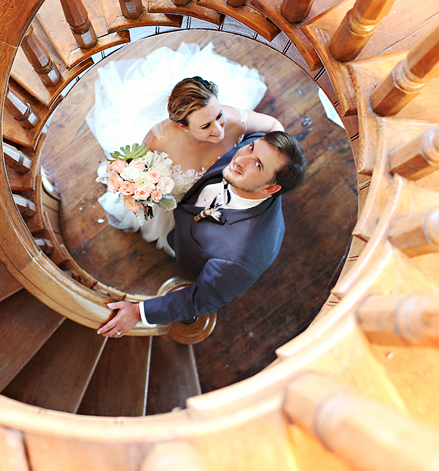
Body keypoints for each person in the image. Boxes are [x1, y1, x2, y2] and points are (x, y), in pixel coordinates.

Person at [97, 130, 306, 337]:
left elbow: (202, 299)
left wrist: (138, 312)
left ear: (270, 189)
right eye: (251, 148)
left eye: (258, 165)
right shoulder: (253, 145)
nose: (241, 159)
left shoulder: (239, 258)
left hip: (185, 250)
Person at [87, 43, 278, 254]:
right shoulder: (159, 140)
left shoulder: (235, 119)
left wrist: (279, 158)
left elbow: (272, 126)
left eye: (218, 115)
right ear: (182, 126)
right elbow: (139, 170)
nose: (219, 130)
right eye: (206, 126)